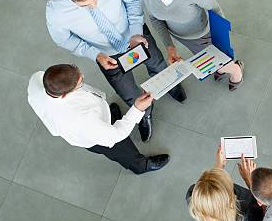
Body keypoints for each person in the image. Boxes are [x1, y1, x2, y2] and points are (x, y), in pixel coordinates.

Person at [46, 0, 186, 143]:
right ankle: (145, 115)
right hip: (106, 55)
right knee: (128, 92)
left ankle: (169, 85)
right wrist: (95, 54)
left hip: (134, 35)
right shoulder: (55, 12)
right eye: (84, 6)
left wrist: (136, 32)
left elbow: (134, 0)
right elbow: (65, 40)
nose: (93, 5)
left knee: (157, 64)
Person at [27, 64, 169, 174]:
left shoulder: (38, 78)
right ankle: (141, 166)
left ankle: (111, 115)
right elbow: (117, 135)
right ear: (64, 95)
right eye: (79, 83)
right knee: (123, 150)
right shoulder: (81, 120)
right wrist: (137, 108)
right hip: (96, 137)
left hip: (94, 119)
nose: (82, 75)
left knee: (109, 116)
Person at [137, 0, 244, 91]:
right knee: (209, 60)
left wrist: (222, 42)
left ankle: (235, 69)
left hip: (203, 33)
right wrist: (170, 47)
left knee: (218, 60)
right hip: (182, 35)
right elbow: (154, 17)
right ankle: (222, 67)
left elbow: (215, 10)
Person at [186, 149, 265, 221]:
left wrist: (219, 167)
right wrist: (250, 182)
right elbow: (268, 213)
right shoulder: (248, 210)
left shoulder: (192, 194)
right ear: (231, 197)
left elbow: (212, 192)